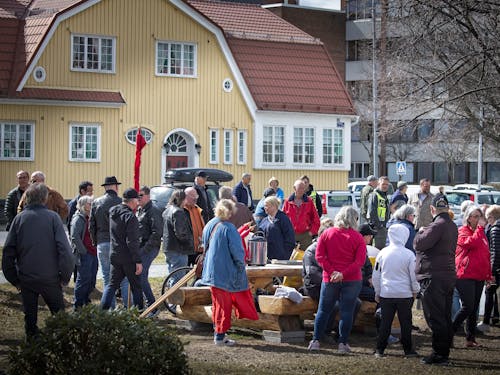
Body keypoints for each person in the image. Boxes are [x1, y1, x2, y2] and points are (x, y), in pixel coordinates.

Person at [2, 183, 74, 337]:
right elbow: (65, 250)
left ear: (27, 198)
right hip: (50, 278)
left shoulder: (19, 219)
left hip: (26, 278)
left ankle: (33, 351)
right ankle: (64, 349)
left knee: (30, 321)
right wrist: (65, 276)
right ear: (44, 198)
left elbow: (8, 252)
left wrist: (15, 280)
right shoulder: (53, 218)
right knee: (61, 319)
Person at [199, 199, 259, 346]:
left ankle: (218, 333)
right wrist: (241, 266)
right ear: (229, 211)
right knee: (224, 306)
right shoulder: (229, 228)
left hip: (211, 272)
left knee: (217, 304)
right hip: (225, 273)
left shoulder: (210, 224)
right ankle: (219, 336)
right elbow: (238, 252)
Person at [308, 206, 366, 353]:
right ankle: (343, 343)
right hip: (352, 279)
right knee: (347, 312)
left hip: (329, 278)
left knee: (323, 310)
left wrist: (332, 271)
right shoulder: (358, 237)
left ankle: (315, 341)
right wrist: (343, 273)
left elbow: (319, 256)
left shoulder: (326, 234)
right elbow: (359, 261)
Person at [414, 194, 458, 366]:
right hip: (447, 275)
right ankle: (444, 351)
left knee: (435, 317)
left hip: (433, 276)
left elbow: (419, 244)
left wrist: (420, 233)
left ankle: (439, 354)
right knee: (445, 316)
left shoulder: (437, 226)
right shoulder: (452, 225)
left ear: (432, 209)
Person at [373, 224, 420, 358]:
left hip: (386, 293)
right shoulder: (409, 254)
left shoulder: (382, 253)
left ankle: (379, 349)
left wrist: (377, 291)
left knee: (385, 323)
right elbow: (413, 275)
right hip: (405, 294)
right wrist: (415, 290)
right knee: (405, 323)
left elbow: (376, 275)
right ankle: (408, 350)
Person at [452, 205, 491, 347]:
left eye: (479, 216)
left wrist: (488, 274)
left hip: (479, 275)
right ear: (467, 217)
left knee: (474, 309)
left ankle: (470, 338)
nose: (477, 219)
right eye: (474, 216)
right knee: (467, 307)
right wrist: (480, 229)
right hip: (464, 275)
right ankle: (450, 332)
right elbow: (470, 244)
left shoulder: (481, 233)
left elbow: (486, 255)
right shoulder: (462, 231)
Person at [101, 188, 143, 310]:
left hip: (115, 254)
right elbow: (132, 241)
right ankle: (139, 313)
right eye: (137, 200)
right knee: (136, 287)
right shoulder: (130, 217)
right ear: (132, 200)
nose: (138, 203)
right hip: (128, 257)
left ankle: (102, 312)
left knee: (112, 285)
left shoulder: (113, 212)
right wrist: (138, 261)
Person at [89, 176, 128, 309]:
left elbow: (91, 225)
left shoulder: (96, 202)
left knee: (107, 278)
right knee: (123, 278)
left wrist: (96, 242)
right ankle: (129, 309)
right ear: (116, 187)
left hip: (102, 242)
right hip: (118, 244)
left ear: (105, 187)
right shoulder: (121, 202)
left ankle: (109, 309)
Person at [137, 186, 163, 314]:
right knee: (141, 276)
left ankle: (153, 307)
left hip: (150, 248)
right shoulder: (141, 210)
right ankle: (147, 305)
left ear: (148, 196)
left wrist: (145, 249)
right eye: (137, 196)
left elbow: (157, 232)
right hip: (142, 247)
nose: (138, 198)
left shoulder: (153, 210)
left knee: (141, 276)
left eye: (141, 195)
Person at [70, 195, 97, 309]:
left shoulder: (90, 217)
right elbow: (74, 236)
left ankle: (86, 300)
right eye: (90, 203)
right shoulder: (78, 218)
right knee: (83, 279)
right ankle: (78, 304)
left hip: (94, 253)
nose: (92, 205)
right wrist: (83, 251)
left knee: (91, 280)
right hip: (85, 254)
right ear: (83, 205)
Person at [162, 190, 194, 286]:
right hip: (178, 249)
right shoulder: (178, 212)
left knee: (172, 275)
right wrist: (189, 242)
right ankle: (174, 300)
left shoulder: (167, 210)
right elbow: (180, 233)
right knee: (178, 279)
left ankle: (170, 298)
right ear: (182, 200)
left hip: (168, 247)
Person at [478, 205, 500, 331]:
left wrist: (490, 273)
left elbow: (495, 252)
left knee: (489, 293)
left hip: (497, 269)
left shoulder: (494, 229)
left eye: (487, 218)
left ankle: (486, 322)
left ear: (491, 217)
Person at [283, 179, 320, 250]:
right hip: (291, 235)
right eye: (300, 188)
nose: (302, 190)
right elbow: (283, 219)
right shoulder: (287, 201)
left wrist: (311, 232)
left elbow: (316, 219)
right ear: (294, 188)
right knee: (290, 257)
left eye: (303, 188)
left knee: (305, 257)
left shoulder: (309, 201)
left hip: (305, 235)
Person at [258, 196, 295, 260]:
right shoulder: (264, 221)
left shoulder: (283, 219)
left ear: (274, 206)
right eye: (264, 206)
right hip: (267, 257)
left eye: (267, 206)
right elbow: (260, 237)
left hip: (281, 257)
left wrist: (285, 254)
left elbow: (290, 238)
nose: (265, 208)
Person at [367, 176, 390, 249]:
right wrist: (380, 225)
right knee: (378, 250)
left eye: (387, 184)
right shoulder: (375, 195)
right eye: (383, 184)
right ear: (378, 184)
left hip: (383, 226)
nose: (385, 186)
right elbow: (372, 212)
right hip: (378, 227)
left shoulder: (384, 195)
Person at [184, 187, 205, 265]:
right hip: (187, 249)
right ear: (186, 196)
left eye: (196, 196)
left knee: (199, 272)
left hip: (199, 248)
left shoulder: (198, 209)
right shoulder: (182, 210)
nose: (195, 199)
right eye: (193, 197)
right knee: (185, 273)